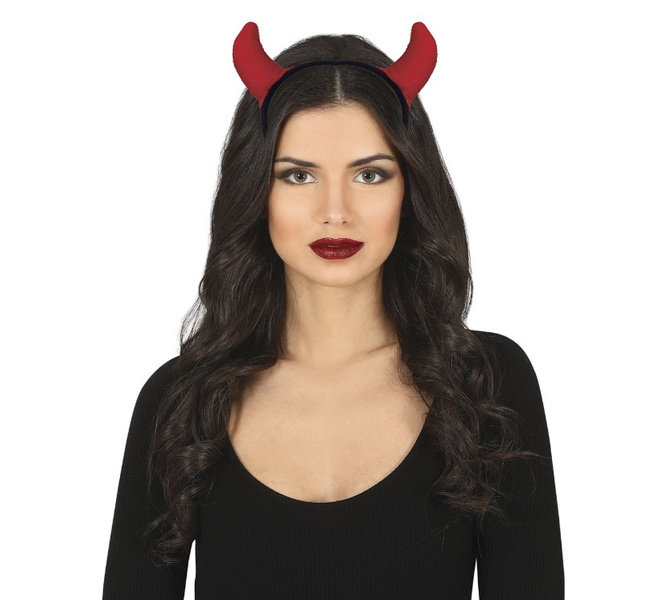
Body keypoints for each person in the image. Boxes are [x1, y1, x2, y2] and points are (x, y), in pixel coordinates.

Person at [102, 21, 564, 599]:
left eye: (370, 174)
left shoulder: (486, 384)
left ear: (409, 190)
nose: (335, 211)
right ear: (258, 192)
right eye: (298, 175)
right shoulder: (179, 401)